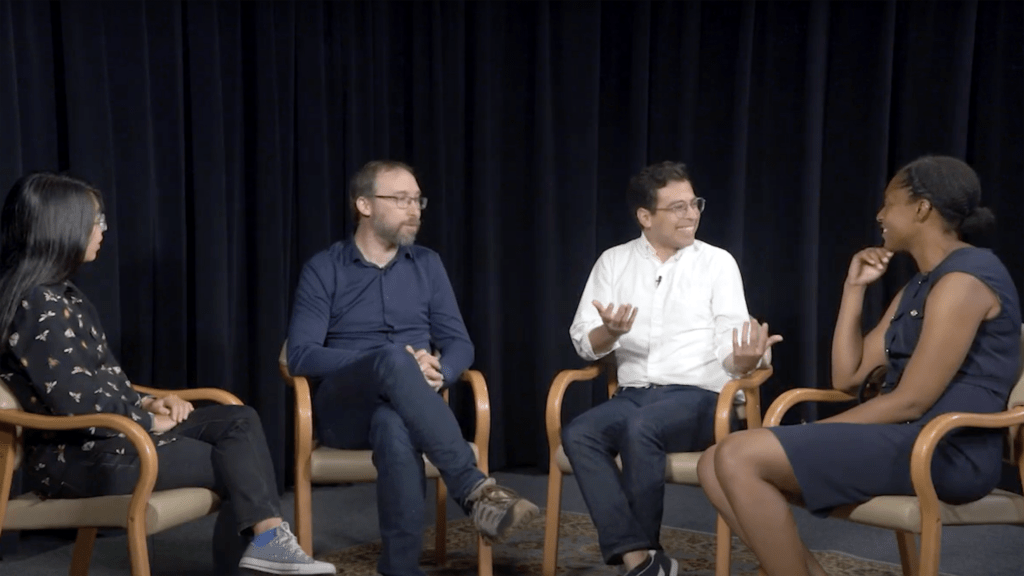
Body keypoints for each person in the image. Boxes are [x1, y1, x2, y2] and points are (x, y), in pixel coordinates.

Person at [696, 156, 1022, 576]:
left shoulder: (965, 281)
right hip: (905, 437)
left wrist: (815, 432)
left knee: (738, 456)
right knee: (712, 463)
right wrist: (854, 290)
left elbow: (912, 401)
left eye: (890, 203)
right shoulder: (921, 284)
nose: (880, 215)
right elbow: (848, 377)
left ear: (922, 208)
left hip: (946, 449)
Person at [0, 173, 336, 576]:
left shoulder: (66, 296)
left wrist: (148, 402)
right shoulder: (36, 303)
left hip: (112, 437)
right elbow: (74, 402)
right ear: (62, 225)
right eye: (96, 220)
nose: (103, 229)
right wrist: (145, 421)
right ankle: (264, 551)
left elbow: (100, 380)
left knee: (239, 421)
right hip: (76, 459)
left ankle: (266, 548)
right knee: (237, 463)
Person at [286, 160, 539, 576]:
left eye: (417, 200)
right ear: (364, 205)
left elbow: (459, 342)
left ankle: (399, 568)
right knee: (391, 358)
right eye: (401, 199)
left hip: (406, 406)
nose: (414, 210)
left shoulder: (427, 264)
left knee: (393, 425)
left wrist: (442, 369)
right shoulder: (325, 268)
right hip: (345, 410)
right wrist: (385, 360)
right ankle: (473, 489)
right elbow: (301, 355)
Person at [565, 161, 780, 576]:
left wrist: (746, 359)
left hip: (699, 398)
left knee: (641, 427)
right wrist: (610, 333)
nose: (691, 214)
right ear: (645, 217)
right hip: (633, 395)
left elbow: (731, 344)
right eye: (678, 207)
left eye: (695, 203)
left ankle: (643, 557)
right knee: (579, 432)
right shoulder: (614, 262)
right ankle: (641, 559)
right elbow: (583, 341)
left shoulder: (717, 263)